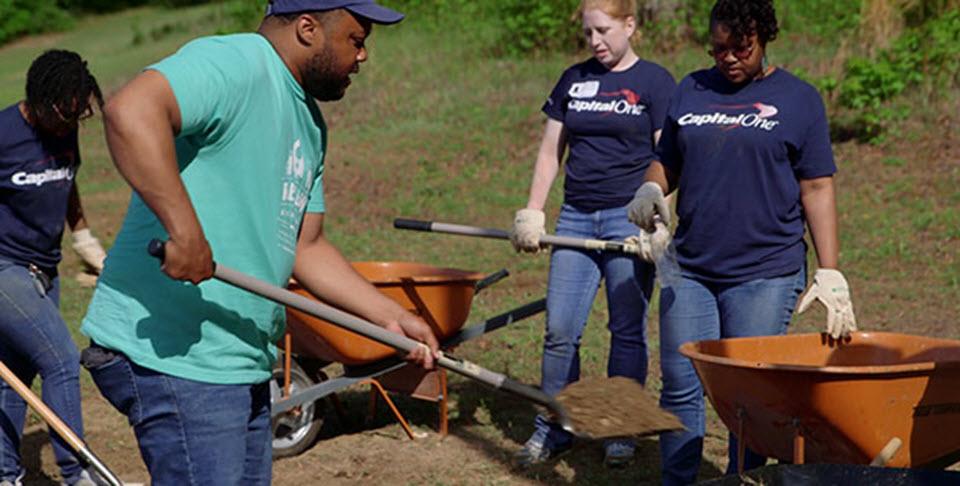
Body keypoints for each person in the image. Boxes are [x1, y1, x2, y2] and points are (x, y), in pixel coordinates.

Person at [79, 1, 438, 484]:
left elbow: (307, 247)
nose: (363, 56)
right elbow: (131, 110)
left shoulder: (310, 124)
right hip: (181, 356)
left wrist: (391, 318)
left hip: (240, 359)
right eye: (357, 38)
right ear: (308, 28)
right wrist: (184, 230)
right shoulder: (238, 62)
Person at [626, 0, 858, 483]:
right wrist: (651, 187)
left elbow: (817, 186)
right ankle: (678, 479)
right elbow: (666, 159)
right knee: (681, 385)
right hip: (689, 267)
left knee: (749, 399)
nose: (728, 58)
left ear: (764, 37)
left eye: (740, 48)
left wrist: (830, 269)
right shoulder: (691, 88)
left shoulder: (799, 99)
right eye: (718, 49)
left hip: (764, 273)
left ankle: (743, 480)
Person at [509, 0, 676, 468]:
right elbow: (549, 153)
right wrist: (533, 211)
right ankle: (556, 425)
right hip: (576, 218)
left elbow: (669, 157)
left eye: (603, 30)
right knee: (560, 331)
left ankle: (619, 428)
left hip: (629, 219)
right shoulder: (573, 80)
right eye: (588, 33)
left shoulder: (656, 83)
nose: (595, 42)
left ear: (630, 25)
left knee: (626, 329)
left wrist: (658, 221)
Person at [0, 49, 105, 486]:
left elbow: (68, 181)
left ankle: (4, 474)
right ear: (40, 99)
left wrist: (84, 240)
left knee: (16, 373)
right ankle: (77, 473)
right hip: (4, 266)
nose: (69, 124)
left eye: (77, 116)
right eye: (64, 114)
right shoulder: (4, 133)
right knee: (60, 357)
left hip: (45, 266)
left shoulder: (62, 129)